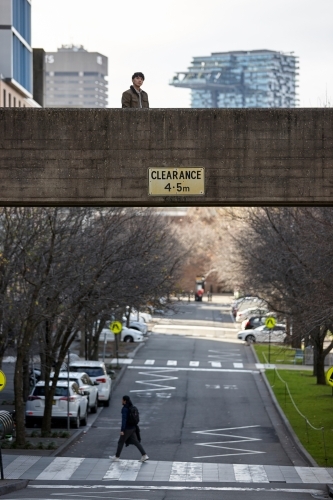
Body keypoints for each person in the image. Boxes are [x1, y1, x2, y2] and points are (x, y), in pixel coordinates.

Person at [110, 395, 149, 462]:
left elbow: (124, 420)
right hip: (133, 428)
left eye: (122, 400)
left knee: (121, 442)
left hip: (127, 429)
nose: (121, 401)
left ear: (125, 401)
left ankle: (117, 457)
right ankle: (144, 455)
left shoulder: (125, 409)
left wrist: (122, 430)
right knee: (136, 442)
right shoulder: (131, 407)